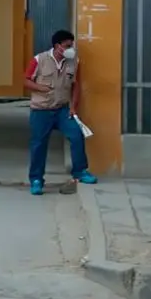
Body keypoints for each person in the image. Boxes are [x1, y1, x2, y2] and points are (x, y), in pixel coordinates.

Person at [24, 29, 98, 196]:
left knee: (76, 135)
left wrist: (73, 107)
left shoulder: (73, 62)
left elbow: (76, 85)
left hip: (62, 109)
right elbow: (26, 80)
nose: (71, 49)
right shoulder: (39, 60)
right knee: (38, 145)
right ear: (57, 46)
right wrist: (39, 87)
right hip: (41, 111)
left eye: (71, 45)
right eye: (67, 46)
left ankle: (80, 171)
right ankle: (36, 180)